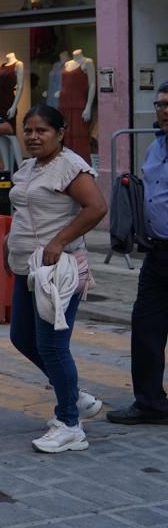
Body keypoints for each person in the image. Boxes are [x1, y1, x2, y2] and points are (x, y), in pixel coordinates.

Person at [4, 104, 107, 452]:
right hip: (26, 268)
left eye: (41, 131)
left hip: (57, 271)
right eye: (28, 130)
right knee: (22, 336)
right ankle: (74, 395)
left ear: (60, 133)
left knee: (52, 346)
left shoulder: (71, 167)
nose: (33, 137)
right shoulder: (29, 166)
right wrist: (10, 251)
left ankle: (69, 424)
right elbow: (23, 212)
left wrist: (60, 241)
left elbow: (96, 208)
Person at [107, 81, 168, 426]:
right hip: (158, 254)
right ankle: (149, 403)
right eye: (159, 104)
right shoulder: (154, 148)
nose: (163, 111)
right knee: (146, 327)